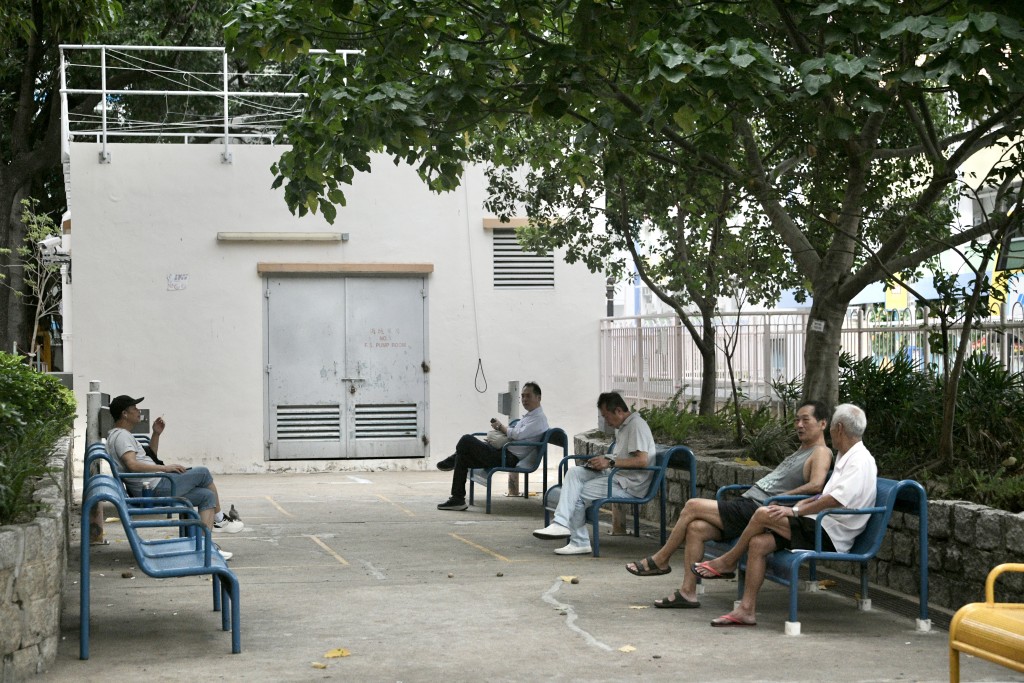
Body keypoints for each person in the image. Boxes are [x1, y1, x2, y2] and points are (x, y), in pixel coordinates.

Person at [624, 400, 832, 608]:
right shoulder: (801, 450)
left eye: (806, 420)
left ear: (823, 424)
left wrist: (782, 498)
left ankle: (661, 560)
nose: (799, 425)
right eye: (796, 420)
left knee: (692, 506)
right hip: (749, 503)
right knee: (696, 528)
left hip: (759, 508)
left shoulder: (821, 452)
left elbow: (816, 485)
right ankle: (688, 593)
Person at [693, 403, 876, 627]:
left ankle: (728, 561)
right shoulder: (845, 456)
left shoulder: (859, 461)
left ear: (838, 428)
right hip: (818, 524)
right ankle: (746, 610)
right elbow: (823, 496)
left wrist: (795, 510)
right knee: (759, 543)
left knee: (762, 513)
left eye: (830, 430)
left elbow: (834, 500)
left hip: (830, 533)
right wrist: (802, 504)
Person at [105, 395, 243, 559]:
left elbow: (150, 457)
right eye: (134, 408)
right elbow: (132, 465)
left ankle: (206, 547)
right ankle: (220, 520)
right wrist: (165, 468)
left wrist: (156, 434)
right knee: (203, 473)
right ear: (124, 414)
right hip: (154, 487)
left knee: (207, 496)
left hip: (153, 484)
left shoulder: (120, 434)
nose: (139, 411)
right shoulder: (121, 436)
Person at [533, 391, 655, 555]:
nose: (606, 421)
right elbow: (624, 456)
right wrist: (603, 460)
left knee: (576, 494)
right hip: (618, 476)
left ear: (618, 411)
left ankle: (579, 541)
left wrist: (610, 462)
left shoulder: (636, 426)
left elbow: (642, 460)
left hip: (629, 485)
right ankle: (560, 523)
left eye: (606, 416)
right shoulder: (623, 427)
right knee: (575, 473)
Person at [436, 382, 549, 511]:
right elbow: (515, 433)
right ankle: (457, 499)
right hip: (502, 452)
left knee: (466, 439)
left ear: (538, 398)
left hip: (507, 457)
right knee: (462, 457)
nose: (524, 400)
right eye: (522, 396)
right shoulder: (530, 416)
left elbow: (517, 434)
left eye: (528, 396)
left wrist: (501, 427)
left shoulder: (539, 419)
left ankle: (451, 461)